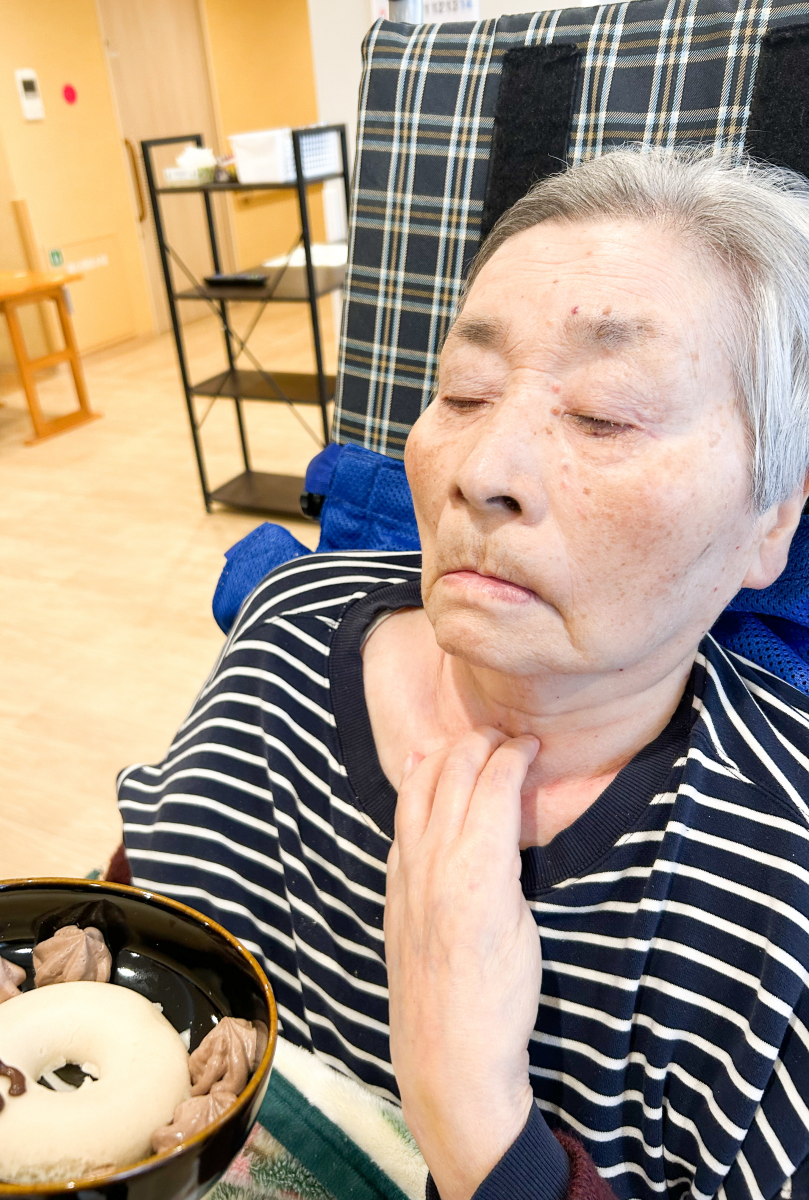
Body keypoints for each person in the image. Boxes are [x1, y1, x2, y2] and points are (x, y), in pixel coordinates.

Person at [116, 147, 809, 1200]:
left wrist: (479, 1124)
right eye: (464, 391)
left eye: (605, 414)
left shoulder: (781, 892)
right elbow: (130, 935)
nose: (482, 472)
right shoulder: (288, 631)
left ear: (774, 519)